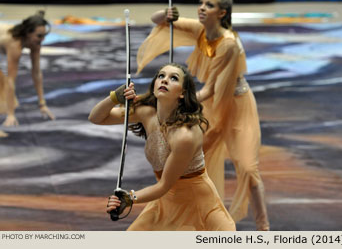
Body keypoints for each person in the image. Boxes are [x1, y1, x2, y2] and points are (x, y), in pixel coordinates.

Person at [136, 0, 269, 230]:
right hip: (211, 107)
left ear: (222, 13)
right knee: (186, 164)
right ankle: (178, 217)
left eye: (209, 5)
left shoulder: (228, 43)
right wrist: (167, 14)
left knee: (248, 168)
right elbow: (157, 20)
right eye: (201, 3)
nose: (201, 8)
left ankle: (264, 228)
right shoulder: (200, 30)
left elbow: (211, 89)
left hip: (236, 107)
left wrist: (173, 100)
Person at [89, 63, 236, 231]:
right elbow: (96, 118)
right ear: (154, 86)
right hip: (165, 201)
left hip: (197, 203)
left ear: (182, 93)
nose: (165, 80)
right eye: (161, 76)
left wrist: (129, 198)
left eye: (173, 78)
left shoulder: (185, 136)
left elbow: (164, 185)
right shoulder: (146, 113)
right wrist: (114, 97)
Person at [0, 10, 55, 127]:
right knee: (4, 102)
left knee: (7, 101)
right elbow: (10, 79)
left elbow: (36, 73)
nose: (43, 40)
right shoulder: (15, 44)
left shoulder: (35, 43)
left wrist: (42, 104)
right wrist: (10, 115)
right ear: (27, 34)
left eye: (44, 36)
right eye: (39, 36)